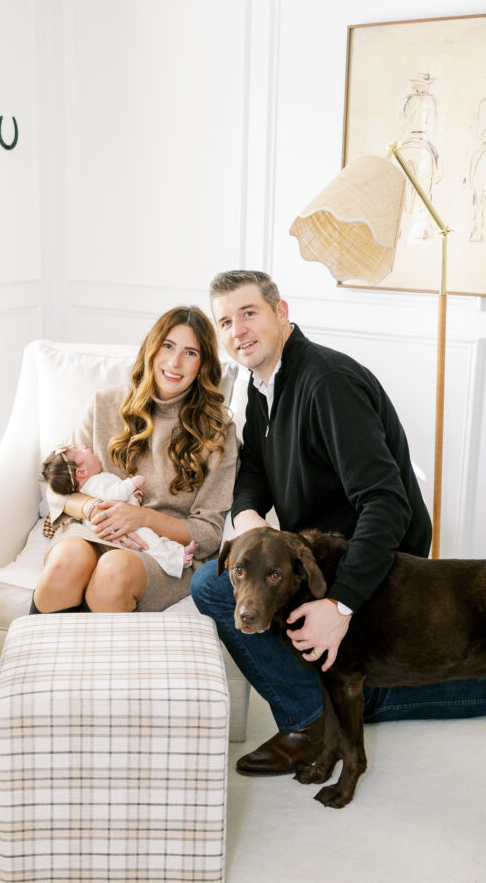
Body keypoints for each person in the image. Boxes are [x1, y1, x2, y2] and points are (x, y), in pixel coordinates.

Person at [191, 269, 486, 776]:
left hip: (378, 555)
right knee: (225, 578)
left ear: (281, 313)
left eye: (249, 313)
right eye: (226, 321)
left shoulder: (326, 383)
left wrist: (339, 602)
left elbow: (386, 503)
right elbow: (254, 468)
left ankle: (312, 720)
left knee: (212, 587)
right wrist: (246, 517)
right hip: (320, 549)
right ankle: (340, 697)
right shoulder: (261, 384)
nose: (237, 330)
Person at [31, 305, 237, 615]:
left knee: (114, 571)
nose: (174, 362)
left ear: (203, 364)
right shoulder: (102, 405)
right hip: (91, 529)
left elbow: (208, 533)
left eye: (190, 353)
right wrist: (91, 509)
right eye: (167, 346)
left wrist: (141, 518)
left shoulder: (217, 431)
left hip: (160, 550)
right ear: (152, 349)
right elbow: (60, 490)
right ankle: (45, 661)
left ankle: (103, 662)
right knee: (66, 561)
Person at [40, 444, 197, 577]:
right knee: (150, 543)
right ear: (81, 472)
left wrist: (133, 498)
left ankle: (179, 552)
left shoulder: (93, 484)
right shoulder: (96, 482)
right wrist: (132, 483)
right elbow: (115, 494)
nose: (84, 446)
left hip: (121, 522)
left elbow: (120, 503)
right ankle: (175, 562)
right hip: (119, 527)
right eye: (79, 449)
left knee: (152, 539)